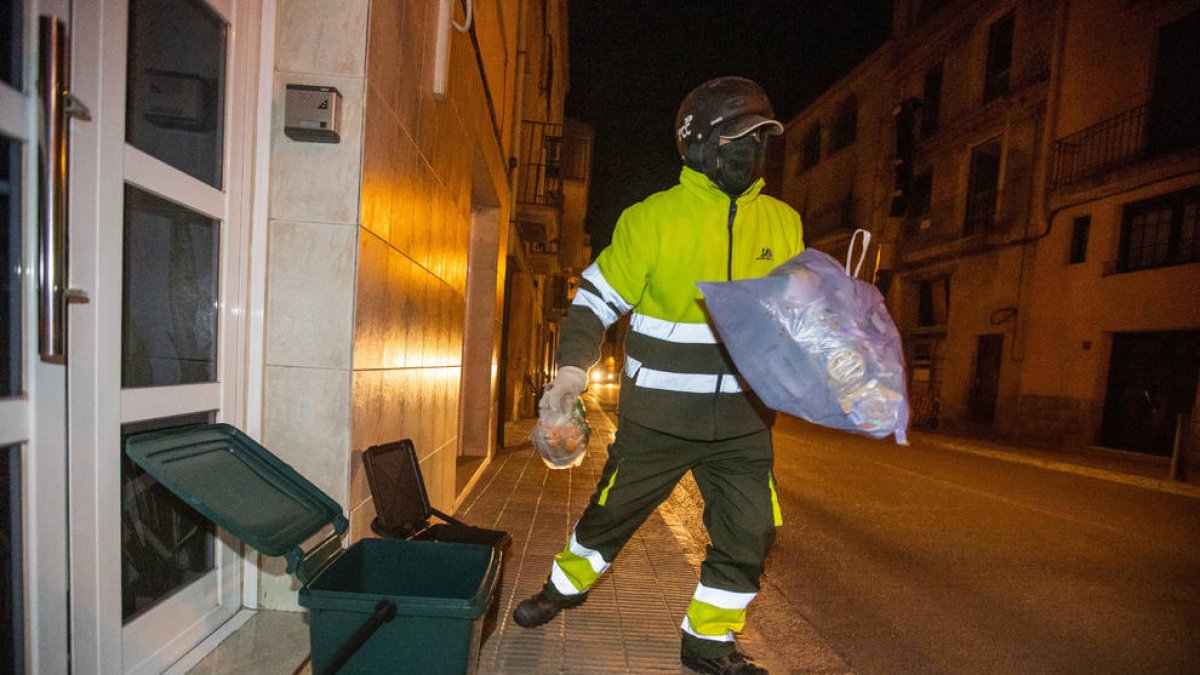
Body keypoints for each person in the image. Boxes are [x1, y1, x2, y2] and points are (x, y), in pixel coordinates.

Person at [513, 76, 805, 675]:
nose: (750, 150)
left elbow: (790, 317)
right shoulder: (652, 220)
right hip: (659, 421)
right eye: (737, 137)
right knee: (608, 518)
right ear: (698, 144)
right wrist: (570, 375)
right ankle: (562, 590)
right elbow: (594, 302)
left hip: (745, 426)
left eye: (761, 138)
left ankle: (707, 643)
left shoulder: (784, 224)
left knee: (750, 534)